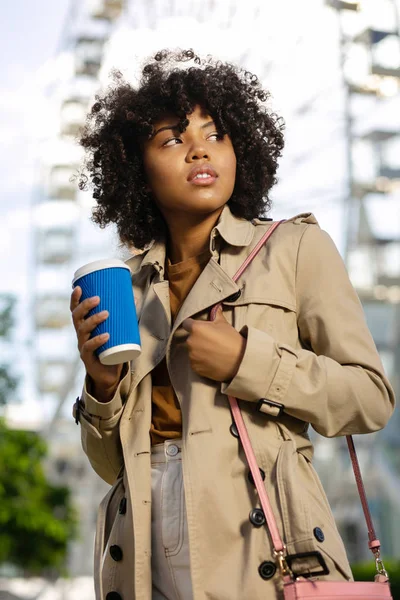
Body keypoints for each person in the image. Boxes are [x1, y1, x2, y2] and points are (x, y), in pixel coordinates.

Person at [70, 49, 395, 600]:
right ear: (135, 169)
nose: (199, 147)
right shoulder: (124, 286)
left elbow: (371, 398)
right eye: (172, 139)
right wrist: (100, 385)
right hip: (142, 544)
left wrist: (250, 363)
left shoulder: (296, 250)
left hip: (263, 544)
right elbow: (111, 469)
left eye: (215, 133)